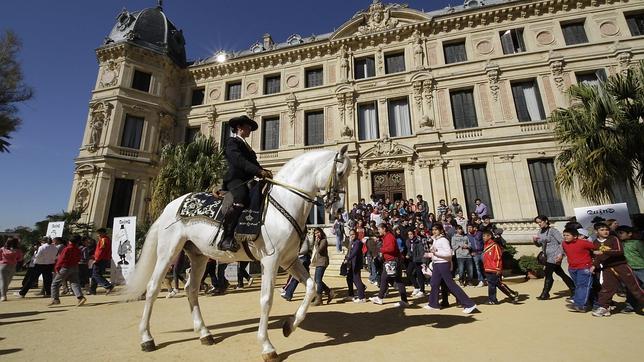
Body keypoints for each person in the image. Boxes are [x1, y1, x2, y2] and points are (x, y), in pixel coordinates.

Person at [220, 115, 273, 252]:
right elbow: (238, 160)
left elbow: (254, 164)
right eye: (247, 127)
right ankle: (226, 237)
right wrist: (258, 171)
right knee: (241, 197)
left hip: (248, 180)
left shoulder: (248, 147)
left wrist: (264, 172)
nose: (250, 129)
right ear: (239, 128)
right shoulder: (232, 142)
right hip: (235, 179)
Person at [592, 223, 644, 317]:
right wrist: (594, 266)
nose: (605, 231)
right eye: (602, 230)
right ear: (596, 232)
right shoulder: (595, 242)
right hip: (607, 268)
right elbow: (598, 257)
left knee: (634, 287)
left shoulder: (613, 239)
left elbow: (619, 251)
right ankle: (604, 307)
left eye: (606, 229)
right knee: (607, 288)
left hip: (621, 266)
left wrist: (604, 251)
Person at [424, 223, 477, 314]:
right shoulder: (436, 240)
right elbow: (436, 252)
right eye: (433, 230)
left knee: (450, 284)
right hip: (437, 263)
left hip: (443, 264)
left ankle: (469, 304)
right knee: (434, 283)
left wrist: (435, 253)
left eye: (436, 230)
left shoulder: (443, 240)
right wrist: (430, 254)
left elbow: (448, 253)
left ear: (441, 230)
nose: (434, 231)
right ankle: (433, 304)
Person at [533, 215, 575, 300]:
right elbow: (539, 245)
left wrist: (561, 254)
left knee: (548, 274)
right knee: (561, 273)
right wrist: (535, 240)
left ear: (546, 221)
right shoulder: (540, 232)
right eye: (538, 223)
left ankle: (545, 293)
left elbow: (562, 242)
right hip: (547, 256)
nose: (539, 224)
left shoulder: (553, 231)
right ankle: (574, 289)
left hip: (554, 255)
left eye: (540, 222)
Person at [370, 223, 409, 307]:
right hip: (392, 261)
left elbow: (391, 248)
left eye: (379, 229)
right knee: (393, 280)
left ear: (384, 229)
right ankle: (403, 300)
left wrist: (381, 249)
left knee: (390, 280)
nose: (379, 231)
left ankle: (380, 298)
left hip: (391, 261)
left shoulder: (389, 237)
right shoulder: (387, 236)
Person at [561, 228, 596, 312]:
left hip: (584, 268)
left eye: (568, 235)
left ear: (575, 236)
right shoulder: (564, 244)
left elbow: (596, 247)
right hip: (572, 268)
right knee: (579, 286)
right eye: (564, 235)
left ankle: (580, 305)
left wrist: (595, 258)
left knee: (583, 286)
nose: (565, 237)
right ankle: (586, 303)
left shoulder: (584, 243)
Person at [482, 230, 519, 304]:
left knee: (496, 284)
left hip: (494, 269)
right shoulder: (485, 245)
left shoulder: (494, 246)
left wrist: (498, 268)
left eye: (484, 236)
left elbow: (498, 258)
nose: (483, 238)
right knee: (495, 284)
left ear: (489, 236)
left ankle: (510, 295)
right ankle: (509, 295)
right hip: (488, 268)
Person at [50, 235, 86, 306]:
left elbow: (61, 259)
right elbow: (79, 258)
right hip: (75, 267)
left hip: (66, 267)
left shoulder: (67, 249)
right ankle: (80, 297)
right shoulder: (78, 249)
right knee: (74, 283)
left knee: (55, 283)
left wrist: (57, 267)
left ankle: (55, 299)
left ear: (69, 241)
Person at [282, 230, 312, 301]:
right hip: (302, 258)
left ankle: (288, 294)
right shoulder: (299, 237)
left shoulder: (304, 238)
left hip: (303, 258)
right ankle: (320, 292)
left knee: (296, 276)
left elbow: (305, 249)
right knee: (306, 278)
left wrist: (295, 253)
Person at [312, 227, 334, 305]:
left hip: (323, 262)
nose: (316, 234)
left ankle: (319, 299)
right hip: (319, 262)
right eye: (315, 233)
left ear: (321, 232)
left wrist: (316, 243)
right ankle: (329, 291)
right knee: (317, 279)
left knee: (318, 280)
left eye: (318, 232)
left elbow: (319, 251)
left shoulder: (324, 241)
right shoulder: (319, 241)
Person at [89, 228, 114, 295]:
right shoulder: (106, 239)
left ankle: (108, 285)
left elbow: (101, 251)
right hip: (103, 259)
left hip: (100, 259)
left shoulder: (103, 240)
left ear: (102, 233)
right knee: (94, 275)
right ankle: (92, 290)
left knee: (96, 274)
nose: (98, 235)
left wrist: (96, 259)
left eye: (99, 234)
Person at [344, 229, 366, 303]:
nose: (352, 236)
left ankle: (362, 297)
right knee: (349, 278)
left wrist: (348, 259)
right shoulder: (352, 242)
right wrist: (346, 258)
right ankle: (351, 295)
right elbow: (349, 252)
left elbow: (355, 253)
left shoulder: (357, 242)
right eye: (350, 234)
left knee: (357, 279)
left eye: (353, 234)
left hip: (356, 263)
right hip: (351, 263)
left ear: (356, 234)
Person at [406, 230, 426, 297]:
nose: (410, 236)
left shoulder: (418, 242)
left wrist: (423, 262)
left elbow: (422, 252)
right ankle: (416, 287)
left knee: (419, 275)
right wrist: (408, 255)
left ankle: (422, 290)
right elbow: (409, 250)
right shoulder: (408, 241)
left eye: (411, 234)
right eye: (409, 234)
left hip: (418, 260)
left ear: (414, 234)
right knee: (408, 272)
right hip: (412, 260)